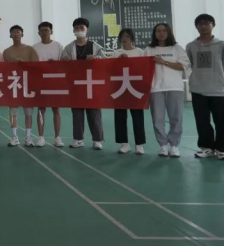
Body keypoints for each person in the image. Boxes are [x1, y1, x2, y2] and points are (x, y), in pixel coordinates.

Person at [145, 23, 190, 158]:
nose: (161, 33)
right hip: (156, 88)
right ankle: (163, 145)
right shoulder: (149, 49)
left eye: (164, 30)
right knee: (157, 119)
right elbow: (141, 66)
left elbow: (183, 66)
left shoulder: (177, 48)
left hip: (175, 87)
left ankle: (174, 146)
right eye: (158, 31)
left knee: (176, 118)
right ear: (154, 34)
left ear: (168, 32)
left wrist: (163, 62)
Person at [62, 18, 106, 150]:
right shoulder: (68, 48)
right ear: (73, 30)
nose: (79, 30)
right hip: (76, 85)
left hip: (92, 84)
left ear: (87, 30)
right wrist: (64, 61)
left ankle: (97, 140)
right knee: (77, 113)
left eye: (82, 28)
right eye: (76, 28)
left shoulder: (96, 46)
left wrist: (96, 58)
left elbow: (105, 62)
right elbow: (61, 64)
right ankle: (78, 139)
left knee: (94, 113)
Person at [187, 14, 224, 161]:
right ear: (196, 27)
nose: (203, 26)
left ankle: (221, 148)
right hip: (198, 89)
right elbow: (190, 64)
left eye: (206, 23)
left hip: (219, 90)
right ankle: (206, 147)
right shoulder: (191, 46)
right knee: (202, 121)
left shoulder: (221, 45)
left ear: (213, 25)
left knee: (221, 121)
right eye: (200, 24)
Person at [3, 25, 39, 148]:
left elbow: (36, 67)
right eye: (13, 32)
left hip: (27, 85)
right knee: (13, 112)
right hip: (13, 85)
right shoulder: (6, 52)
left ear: (22, 34)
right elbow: (5, 69)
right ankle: (14, 137)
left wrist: (24, 64)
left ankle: (28, 137)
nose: (16, 34)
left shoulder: (30, 50)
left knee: (28, 113)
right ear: (10, 35)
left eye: (18, 32)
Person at [112, 29, 147, 155]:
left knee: (137, 116)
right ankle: (124, 144)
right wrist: (118, 61)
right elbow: (111, 69)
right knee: (120, 116)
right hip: (120, 88)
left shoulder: (140, 52)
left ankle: (139, 144)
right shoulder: (116, 53)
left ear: (132, 38)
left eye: (127, 36)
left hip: (135, 88)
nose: (124, 39)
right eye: (122, 37)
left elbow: (144, 68)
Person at [33, 22, 65, 148]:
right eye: (42, 30)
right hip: (40, 82)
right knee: (41, 109)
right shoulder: (34, 48)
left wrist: (56, 63)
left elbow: (64, 63)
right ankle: (40, 137)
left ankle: (57, 137)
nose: (44, 32)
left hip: (55, 82)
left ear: (51, 31)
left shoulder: (58, 46)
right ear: (38, 33)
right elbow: (31, 65)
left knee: (56, 109)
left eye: (47, 30)